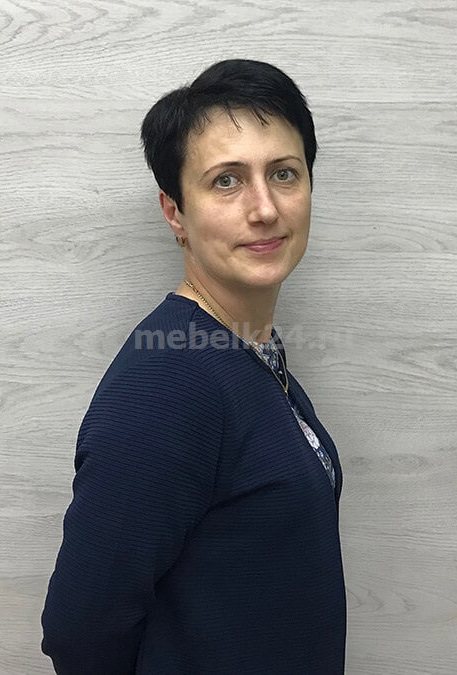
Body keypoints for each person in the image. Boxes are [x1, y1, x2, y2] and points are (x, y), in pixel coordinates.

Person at [40, 58, 347, 674]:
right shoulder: (170, 381)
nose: (265, 208)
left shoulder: (249, 349)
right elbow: (80, 630)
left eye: (284, 173)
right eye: (226, 181)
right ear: (175, 212)